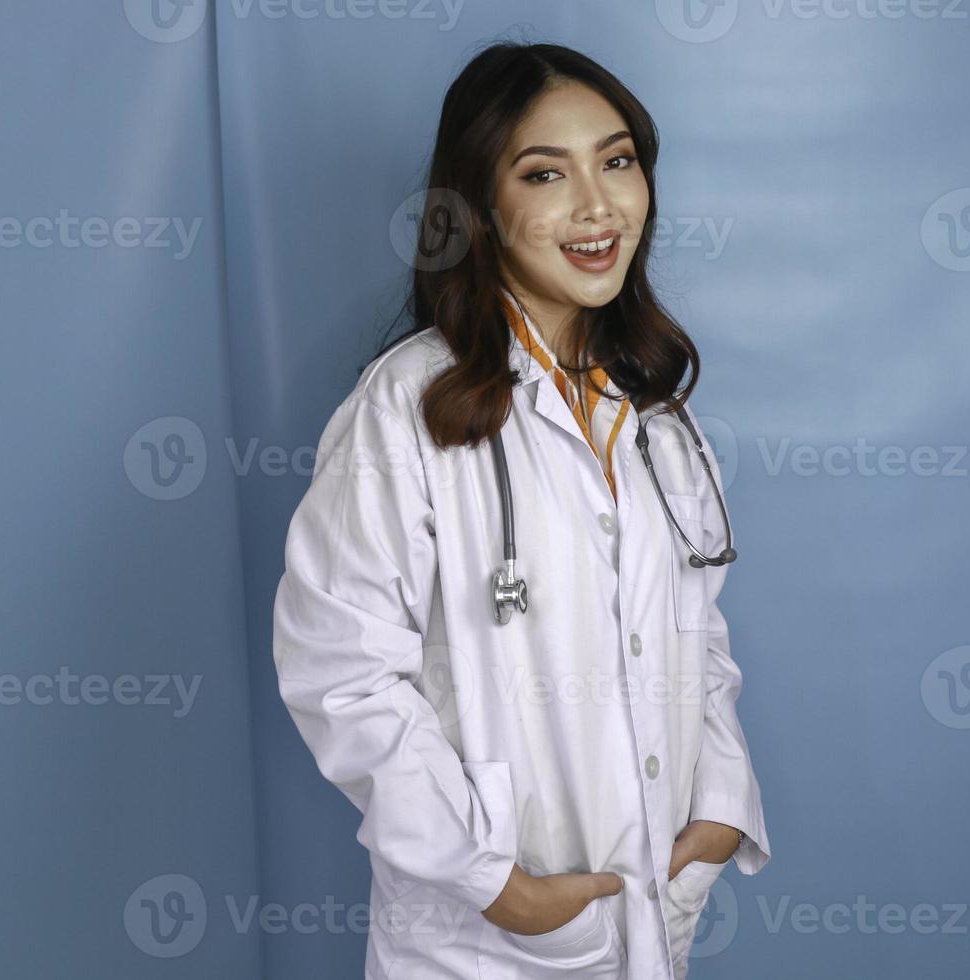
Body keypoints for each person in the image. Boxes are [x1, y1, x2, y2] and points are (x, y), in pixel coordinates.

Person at [272, 40, 770, 980]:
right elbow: (340, 673)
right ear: (483, 209)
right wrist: (495, 882)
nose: (597, 206)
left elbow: (696, 629)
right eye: (546, 173)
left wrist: (717, 808)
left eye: (618, 161)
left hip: (647, 912)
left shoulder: (654, 411)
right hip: (486, 938)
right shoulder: (407, 407)